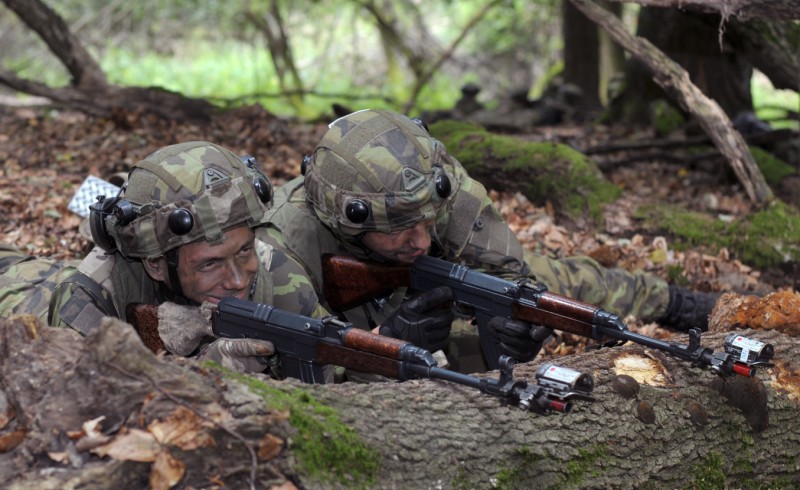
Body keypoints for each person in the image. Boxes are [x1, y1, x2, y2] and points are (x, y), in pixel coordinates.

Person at [256, 108, 720, 371]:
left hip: (430, 295)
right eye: (399, 228)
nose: (420, 239)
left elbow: (510, 276)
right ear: (347, 220)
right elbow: (301, 374)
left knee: (558, 280)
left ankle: (676, 302)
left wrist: (508, 335)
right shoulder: (282, 245)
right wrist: (385, 343)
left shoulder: (443, 188)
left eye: (428, 220)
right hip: (346, 320)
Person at [47, 140, 451, 374]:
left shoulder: (273, 269)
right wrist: (208, 372)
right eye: (209, 263)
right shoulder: (90, 297)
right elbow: (87, 413)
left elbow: (330, 365)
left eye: (243, 250)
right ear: (155, 264)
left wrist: (388, 346)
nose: (238, 279)